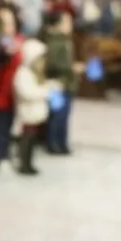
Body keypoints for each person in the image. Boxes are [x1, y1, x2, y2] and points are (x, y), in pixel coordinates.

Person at [12, 39, 57, 176]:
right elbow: (26, 93)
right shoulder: (23, 74)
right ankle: (24, 163)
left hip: (36, 113)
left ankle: (30, 162)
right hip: (27, 113)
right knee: (26, 139)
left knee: (32, 140)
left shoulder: (36, 74)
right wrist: (46, 92)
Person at [0, 8, 23, 170]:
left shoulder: (18, 40)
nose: (11, 26)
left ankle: (4, 151)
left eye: (12, 23)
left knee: (9, 123)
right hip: (0, 88)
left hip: (14, 90)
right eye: (7, 23)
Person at [43, 11, 79, 155]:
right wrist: (71, 68)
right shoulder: (54, 42)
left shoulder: (66, 41)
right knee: (57, 116)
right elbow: (51, 64)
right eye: (66, 22)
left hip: (68, 83)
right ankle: (53, 143)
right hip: (57, 84)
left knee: (64, 116)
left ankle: (62, 142)